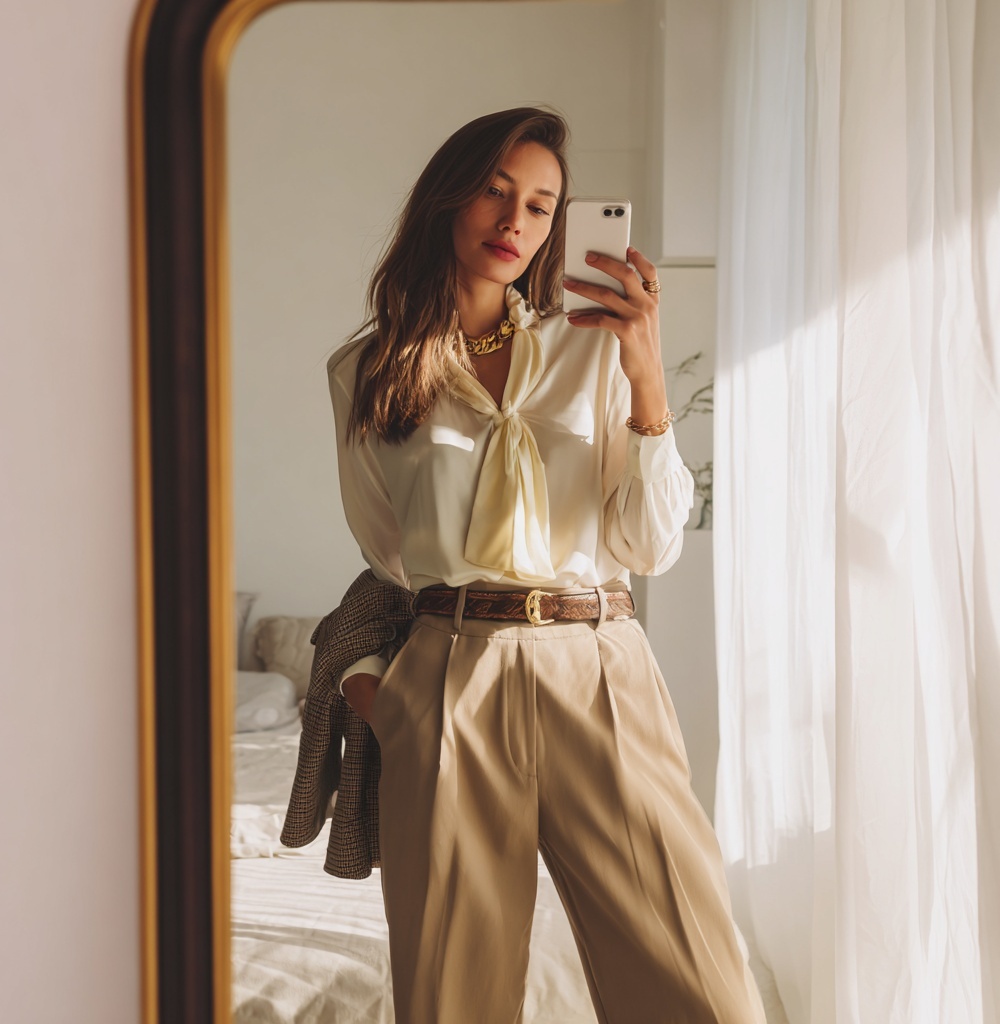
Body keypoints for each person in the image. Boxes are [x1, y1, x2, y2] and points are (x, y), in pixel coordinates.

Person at [325, 107, 766, 1024]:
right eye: (495, 191)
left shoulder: (594, 349)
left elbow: (649, 545)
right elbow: (389, 549)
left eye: (539, 203)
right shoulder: (366, 373)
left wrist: (645, 372)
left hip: (597, 663)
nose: (514, 221)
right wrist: (395, 699)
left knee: (702, 985)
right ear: (448, 197)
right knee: (455, 995)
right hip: (454, 676)